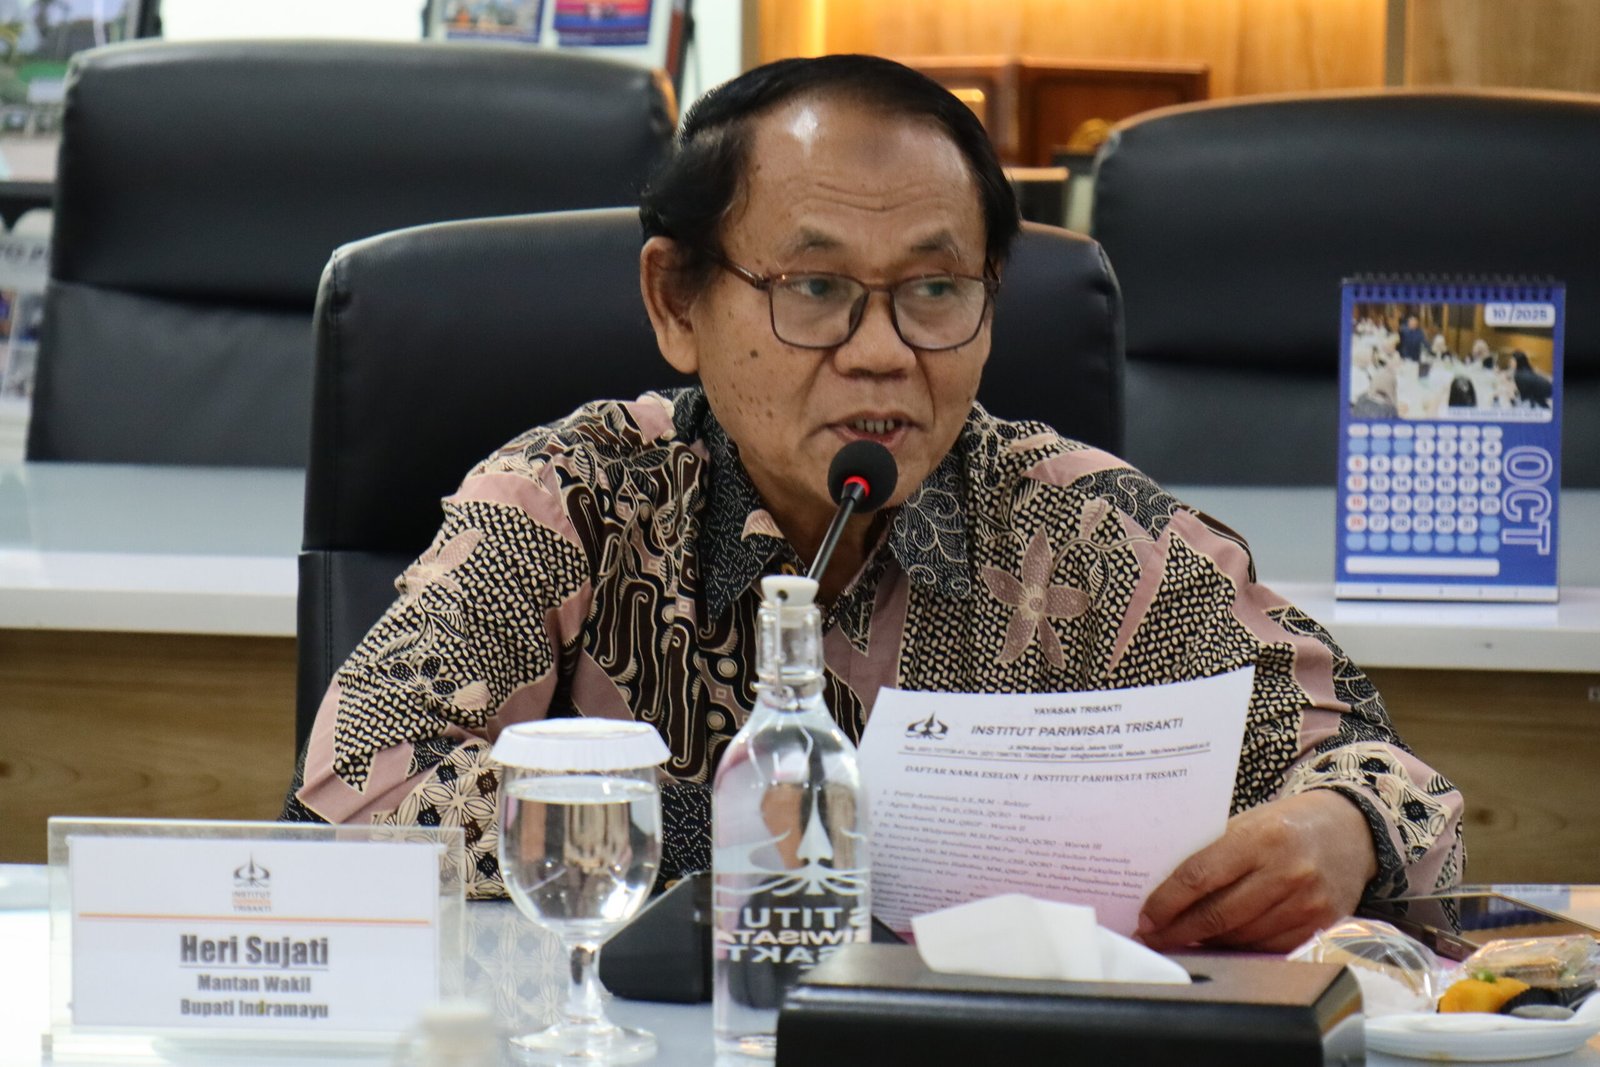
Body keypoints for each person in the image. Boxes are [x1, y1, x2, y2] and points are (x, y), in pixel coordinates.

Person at [285, 55, 1462, 953]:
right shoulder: (575, 498)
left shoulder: (1088, 535)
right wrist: (772, 836)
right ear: (678, 302)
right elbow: (360, 789)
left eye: (935, 289)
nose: (882, 351)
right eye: (814, 287)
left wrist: (1339, 831)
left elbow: (1385, 781)